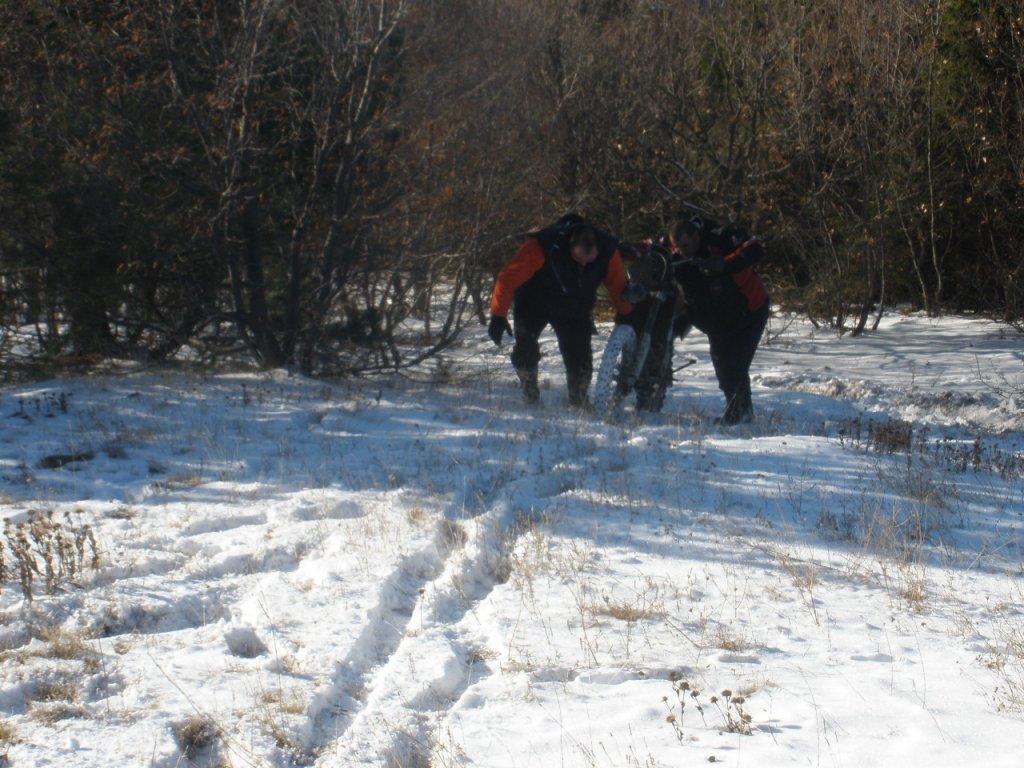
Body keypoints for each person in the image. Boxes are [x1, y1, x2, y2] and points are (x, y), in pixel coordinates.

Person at [487, 214, 635, 406]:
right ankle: (530, 392)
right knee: (525, 351)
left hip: (574, 308)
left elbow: (618, 287)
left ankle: (579, 401)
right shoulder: (542, 246)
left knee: (579, 359)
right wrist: (498, 316)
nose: (584, 265)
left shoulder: (608, 251)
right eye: (580, 259)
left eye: (589, 261)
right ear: (569, 247)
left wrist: (627, 315)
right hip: (533, 303)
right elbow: (507, 277)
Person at [668, 217, 770, 425]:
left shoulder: (720, 236)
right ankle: (741, 411)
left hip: (750, 310)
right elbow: (647, 249)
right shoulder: (676, 252)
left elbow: (756, 248)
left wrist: (724, 264)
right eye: (677, 248)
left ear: (696, 236)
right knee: (724, 368)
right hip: (716, 317)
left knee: (735, 366)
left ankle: (739, 413)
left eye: (685, 246)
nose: (681, 252)